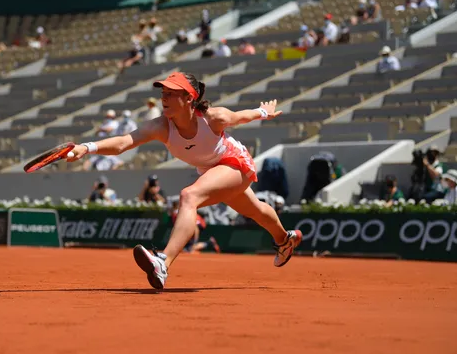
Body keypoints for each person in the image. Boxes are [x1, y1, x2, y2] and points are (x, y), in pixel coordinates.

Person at [66, 71, 302, 289]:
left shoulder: (213, 118)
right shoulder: (161, 126)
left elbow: (241, 117)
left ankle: (163, 263)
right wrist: (86, 148)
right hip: (211, 170)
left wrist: (263, 112)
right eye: (163, 93)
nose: (164, 98)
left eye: (170, 93)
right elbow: (122, 143)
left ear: (189, 98)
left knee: (190, 196)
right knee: (256, 211)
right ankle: (285, 240)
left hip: (234, 163)